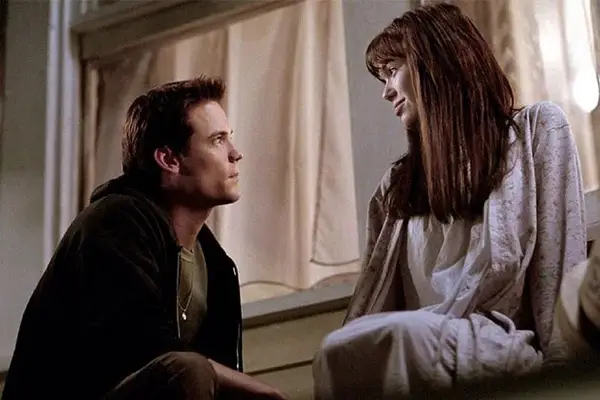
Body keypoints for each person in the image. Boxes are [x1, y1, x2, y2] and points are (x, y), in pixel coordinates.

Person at [312, 3, 587, 399]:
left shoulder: (537, 131)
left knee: (403, 341)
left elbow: (558, 269)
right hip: (418, 340)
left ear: (435, 61)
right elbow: (374, 305)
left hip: (499, 342)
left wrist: (563, 377)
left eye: (392, 70)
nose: (385, 91)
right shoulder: (395, 187)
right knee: (336, 350)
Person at [3, 76, 288, 400]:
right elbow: (145, 346)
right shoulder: (115, 222)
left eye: (229, 138)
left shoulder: (217, 265)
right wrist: (264, 391)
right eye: (217, 140)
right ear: (169, 160)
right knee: (188, 370)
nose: (236, 154)